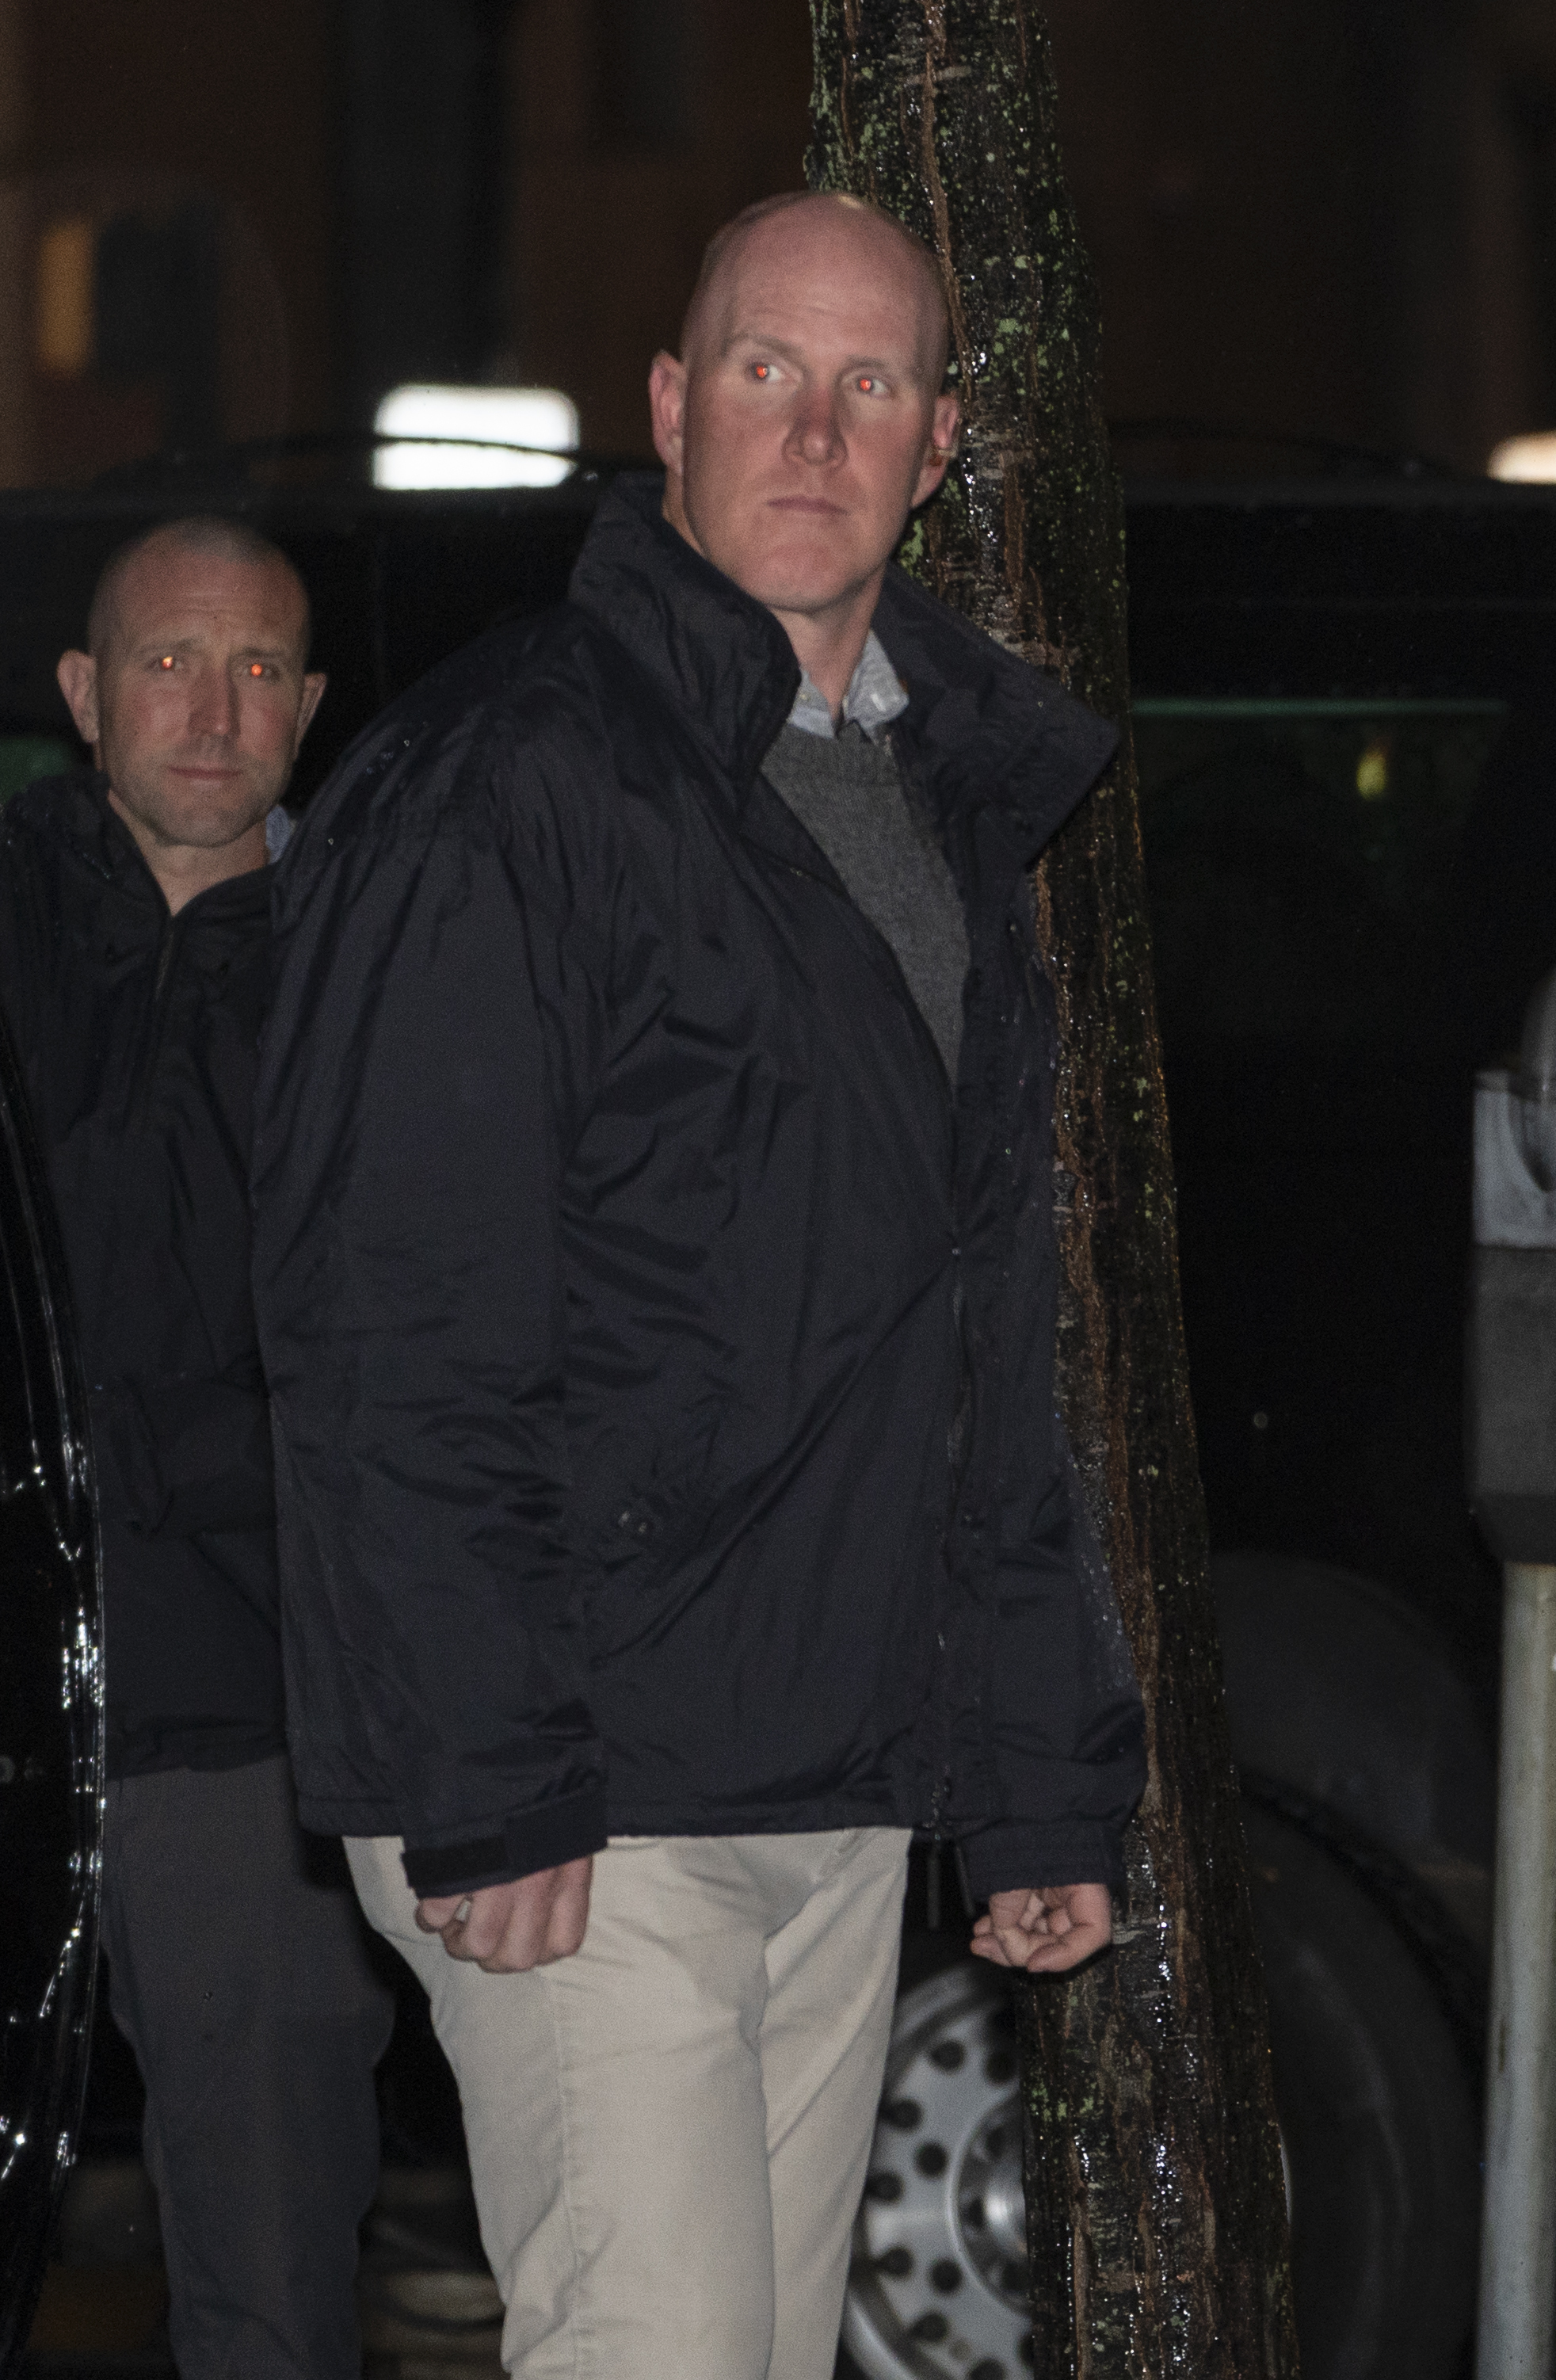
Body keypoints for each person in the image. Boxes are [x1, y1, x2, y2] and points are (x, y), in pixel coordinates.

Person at [257, 192, 1144, 2378]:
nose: (816, 428)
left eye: (871, 384)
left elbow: (977, 1343)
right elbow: (390, 1318)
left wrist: (1034, 1771)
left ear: (938, 443)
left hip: (828, 1771)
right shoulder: (508, 785)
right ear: (670, 405)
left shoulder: (947, 809)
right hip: (586, 1775)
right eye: (767, 367)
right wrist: (486, 1766)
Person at [0, 517, 392, 2379]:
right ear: (82, 696)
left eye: (257, 670)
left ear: (309, 711)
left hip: (259, 1746)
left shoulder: (383, 972)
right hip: (12, 1721)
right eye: (169, 659)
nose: (213, 708)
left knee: (271, 2304)